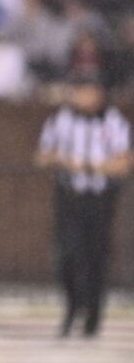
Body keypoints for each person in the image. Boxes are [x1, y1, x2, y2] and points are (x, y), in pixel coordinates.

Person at [35, 72, 132, 337]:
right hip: (69, 198)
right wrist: (63, 161)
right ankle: (72, 307)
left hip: (99, 201)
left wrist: (90, 166)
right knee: (66, 255)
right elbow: (41, 156)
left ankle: (93, 316)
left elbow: (124, 163)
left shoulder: (114, 123)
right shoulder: (61, 121)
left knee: (95, 258)